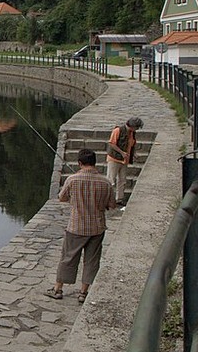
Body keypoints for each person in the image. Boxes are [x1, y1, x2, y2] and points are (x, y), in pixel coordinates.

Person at [45, 148, 116, 304]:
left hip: (76, 226)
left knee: (68, 258)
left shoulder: (72, 179)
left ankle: (58, 289)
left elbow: (61, 198)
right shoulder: (106, 182)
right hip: (97, 228)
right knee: (91, 260)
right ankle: (83, 292)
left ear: (79, 163)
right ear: (95, 162)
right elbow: (112, 205)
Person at [106, 116, 144, 206]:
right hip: (114, 159)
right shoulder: (118, 131)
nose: (137, 129)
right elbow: (112, 143)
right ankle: (107, 199)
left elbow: (131, 144)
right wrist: (122, 152)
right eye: (137, 127)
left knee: (122, 180)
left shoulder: (132, 133)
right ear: (132, 126)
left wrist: (134, 154)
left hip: (124, 160)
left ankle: (119, 199)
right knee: (111, 179)